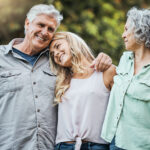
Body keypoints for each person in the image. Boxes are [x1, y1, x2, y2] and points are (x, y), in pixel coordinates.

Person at [0, 4, 112, 150]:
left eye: (50, 29)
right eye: (40, 25)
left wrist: (104, 59)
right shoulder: (2, 58)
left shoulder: (56, 62)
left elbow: (83, 74)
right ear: (27, 23)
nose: (44, 32)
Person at [49, 31, 116, 150]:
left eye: (58, 46)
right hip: (63, 146)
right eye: (53, 54)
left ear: (72, 42)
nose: (56, 54)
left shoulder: (106, 72)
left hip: (96, 145)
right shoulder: (60, 81)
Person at [101, 7, 150, 150]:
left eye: (126, 29)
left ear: (142, 30)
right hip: (116, 141)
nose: (123, 35)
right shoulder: (125, 60)